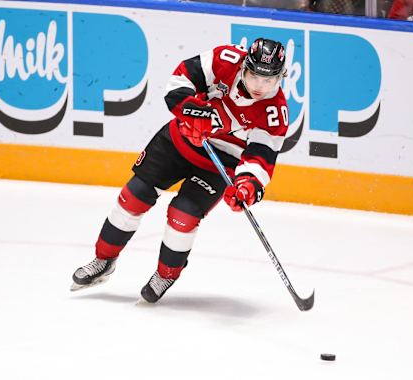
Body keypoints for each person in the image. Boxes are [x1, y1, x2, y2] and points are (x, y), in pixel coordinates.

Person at [71, 38, 289, 303]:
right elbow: (179, 82)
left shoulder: (274, 112)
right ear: (245, 66)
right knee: (134, 196)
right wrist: (195, 112)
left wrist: (247, 186)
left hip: (219, 163)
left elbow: (261, 157)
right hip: (178, 141)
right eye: (255, 76)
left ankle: (166, 274)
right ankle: (103, 261)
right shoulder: (225, 60)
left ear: (280, 77)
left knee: (183, 215)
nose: (260, 86)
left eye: (269, 80)